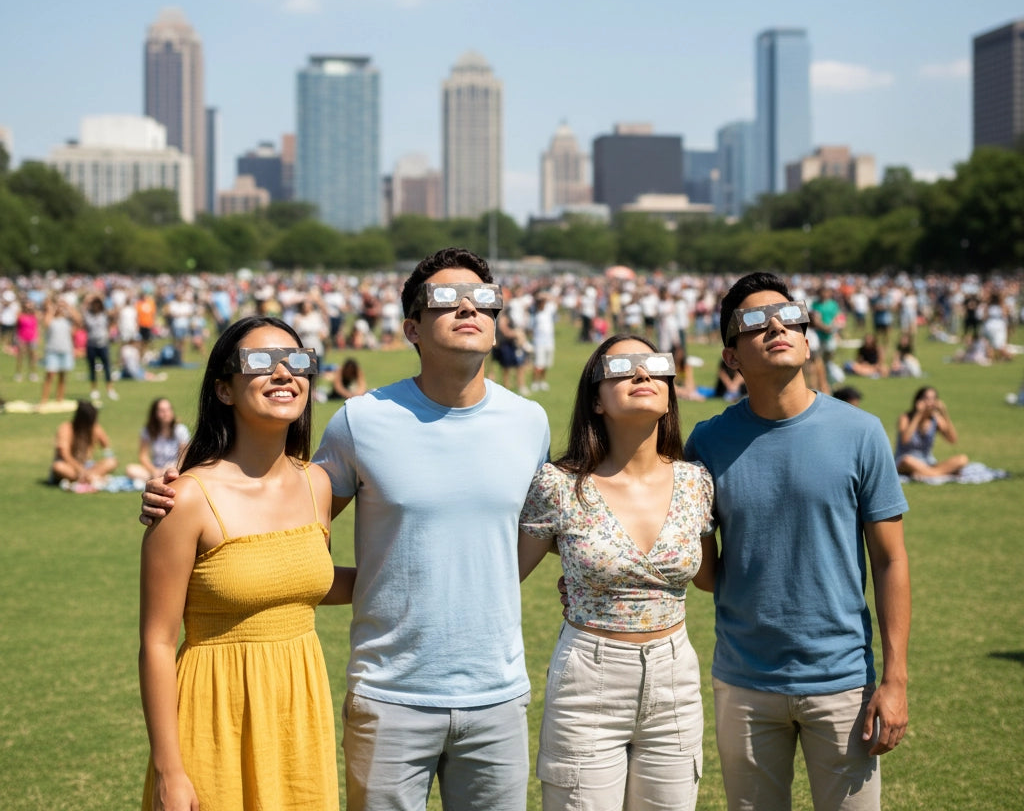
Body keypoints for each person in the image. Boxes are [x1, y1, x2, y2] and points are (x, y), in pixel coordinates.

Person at [141, 249, 551, 811]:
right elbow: (265, 537)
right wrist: (181, 488)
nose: (467, 308)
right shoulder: (361, 421)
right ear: (412, 328)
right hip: (384, 695)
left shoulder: (530, 421)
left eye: (483, 298)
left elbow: (543, 527)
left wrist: (484, 577)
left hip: (493, 696)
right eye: (444, 299)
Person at [684, 271, 910, 811]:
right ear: (731, 356)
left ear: (807, 340)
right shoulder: (707, 443)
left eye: (789, 316)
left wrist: (895, 678)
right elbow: (706, 573)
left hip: (842, 681)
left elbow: (890, 560)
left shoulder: (861, 432)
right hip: (744, 681)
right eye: (755, 321)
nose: (776, 327)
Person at [138, 315, 353, 811]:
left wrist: (411, 577)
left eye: (296, 360)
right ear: (224, 390)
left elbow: (300, 582)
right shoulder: (185, 498)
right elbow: (157, 642)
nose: (283, 373)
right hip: (214, 716)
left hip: (298, 717)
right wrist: (170, 772)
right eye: (260, 361)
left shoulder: (317, 484)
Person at [518, 336, 715, 811]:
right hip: (588, 680)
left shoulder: (696, 481)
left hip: (675, 680)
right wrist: (579, 571)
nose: (642, 374)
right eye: (623, 367)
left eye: (654, 365)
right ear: (596, 401)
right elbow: (506, 574)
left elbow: (710, 577)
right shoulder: (559, 484)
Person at [894, 386, 969, 480]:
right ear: (918, 401)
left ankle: (929, 474)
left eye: (933, 399)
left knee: (962, 459)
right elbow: (905, 440)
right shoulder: (905, 418)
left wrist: (944, 413)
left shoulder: (935, 419)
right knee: (907, 460)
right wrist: (918, 415)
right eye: (927, 399)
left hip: (928, 462)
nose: (930, 402)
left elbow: (952, 439)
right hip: (906, 462)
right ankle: (939, 474)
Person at [49, 399, 119, 490]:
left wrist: (108, 457)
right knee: (58, 467)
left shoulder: (94, 428)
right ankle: (92, 478)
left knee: (111, 462)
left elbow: (106, 446)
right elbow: (64, 454)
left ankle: (86, 478)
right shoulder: (66, 428)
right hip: (70, 467)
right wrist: (79, 469)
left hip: (88, 466)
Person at [126, 397, 191, 480]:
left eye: (168, 410)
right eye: (162, 411)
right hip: (156, 468)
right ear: (155, 413)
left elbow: (183, 457)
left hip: (174, 467)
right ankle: (161, 478)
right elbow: (143, 455)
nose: (166, 413)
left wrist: (172, 469)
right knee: (130, 469)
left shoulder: (180, 430)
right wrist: (154, 471)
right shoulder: (148, 430)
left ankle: (161, 478)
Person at [39, 296, 79, 404]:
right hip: (52, 351)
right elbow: (46, 323)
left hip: (65, 351)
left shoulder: (67, 321)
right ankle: (44, 400)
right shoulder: (51, 319)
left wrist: (67, 306)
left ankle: (60, 399)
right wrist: (53, 308)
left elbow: (78, 320)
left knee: (62, 376)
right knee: (50, 375)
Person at [83, 293, 118, 402]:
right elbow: (83, 307)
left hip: (103, 344)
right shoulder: (88, 315)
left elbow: (115, 312)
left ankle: (110, 389)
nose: (96, 307)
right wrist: (89, 298)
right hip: (91, 345)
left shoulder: (104, 315)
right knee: (92, 368)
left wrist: (100, 297)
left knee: (107, 368)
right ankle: (94, 389)